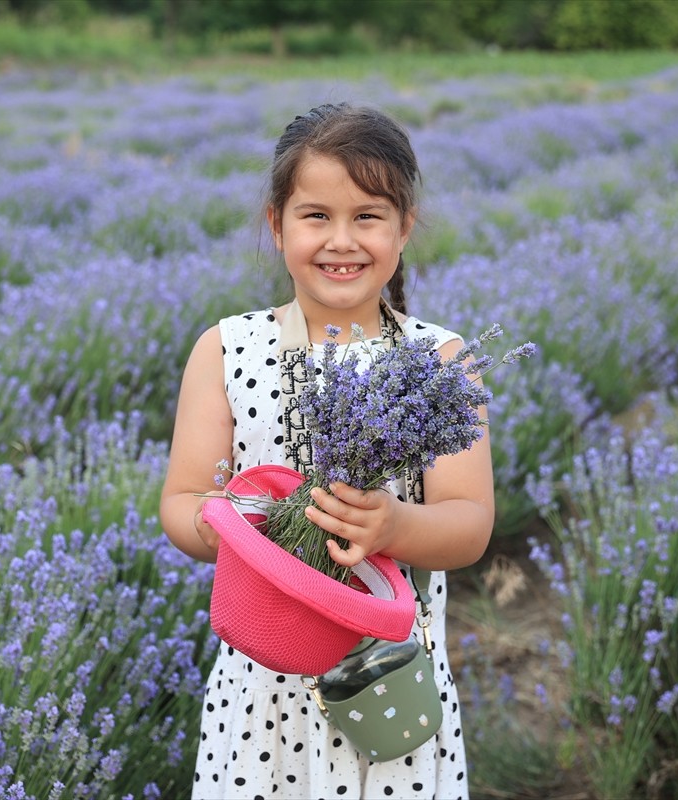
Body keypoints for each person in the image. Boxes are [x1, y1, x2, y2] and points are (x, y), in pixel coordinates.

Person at [160, 102, 494, 800]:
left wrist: (395, 527)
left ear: (404, 229)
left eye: (367, 216)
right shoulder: (226, 349)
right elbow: (183, 501)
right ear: (277, 225)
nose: (342, 239)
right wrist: (231, 522)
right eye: (316, 216)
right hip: (260, 693)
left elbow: (470, 523)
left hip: (387, 684)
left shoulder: (440, 361)